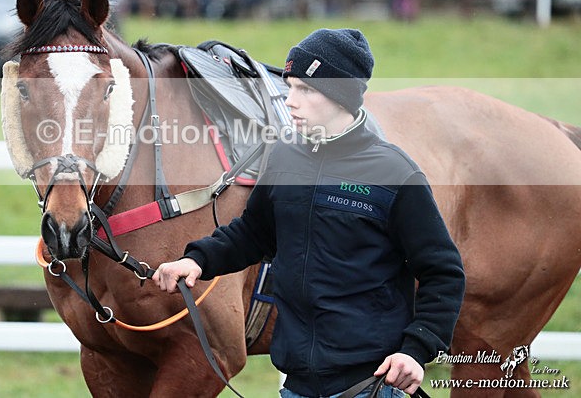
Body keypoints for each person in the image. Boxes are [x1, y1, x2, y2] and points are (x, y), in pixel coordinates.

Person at [153, 28, 466, 398]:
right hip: (298, 385)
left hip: (372, 384)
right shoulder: (285, 156)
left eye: (306, 89)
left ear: (339, 96)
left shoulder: (396, 174)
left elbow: (443, 273)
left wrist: (416, 350)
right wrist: (198, 261)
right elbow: (254, 233)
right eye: (290, 87)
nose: (290, 101)